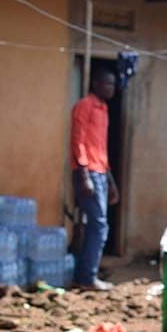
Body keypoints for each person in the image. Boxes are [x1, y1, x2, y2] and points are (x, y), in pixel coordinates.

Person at [70, 67, 119, 291]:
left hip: (100, 172)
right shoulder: (85, 105)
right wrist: (83, 174)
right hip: (87, 172)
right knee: (98, 226)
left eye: (113, 84)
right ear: (96, 84)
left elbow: (100, 148)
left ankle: (85, 274)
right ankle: (87, 277)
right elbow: (78, 140)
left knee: (97, 227)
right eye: (107, 84)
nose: (112, 88)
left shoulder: (104, 109)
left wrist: (110, 181)